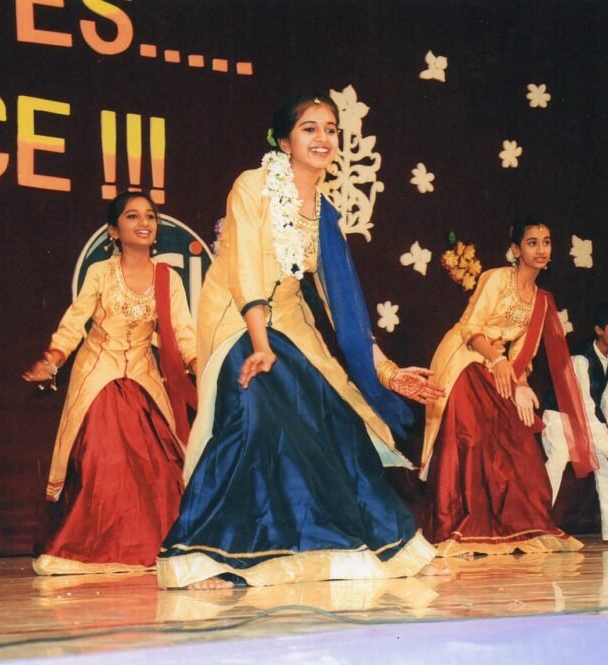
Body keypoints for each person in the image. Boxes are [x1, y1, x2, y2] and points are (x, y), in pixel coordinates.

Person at [156, 94, 445, 589]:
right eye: (309, 128)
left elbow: (341, 303)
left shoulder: (326, 213)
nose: (322, 137)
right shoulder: (252, 185)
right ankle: (204, 553)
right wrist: (259, 342)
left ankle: (361, 545)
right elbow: (245, 266)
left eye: (330, 128)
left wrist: (384, 369)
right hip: (234, 315)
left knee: (337, 418)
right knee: (254, 415)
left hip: (288, 320)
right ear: (284, 142)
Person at [23, 192, 197, 575]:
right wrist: (53, 360)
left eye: (150, 216)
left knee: (160, 464)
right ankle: (85, 549)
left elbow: (185, 333)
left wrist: (203, 367)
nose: (144, 223)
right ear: (113, 231)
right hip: (98, 372)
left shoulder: (168, 278)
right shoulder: (101, 272)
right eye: (132, 216)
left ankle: (151, 547)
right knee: (99, 460)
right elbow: (75, 322)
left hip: (143, 375)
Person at [419, 218, 595, 557]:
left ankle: (517, 525)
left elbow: (523, 354)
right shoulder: (497, 278)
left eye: (546, 241)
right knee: (471, 435)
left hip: (497, 366)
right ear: (516, 249)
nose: (541, 249)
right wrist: (497, 361)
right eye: (532, 242)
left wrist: (521, 385)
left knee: (517, 438)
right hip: (463, 357)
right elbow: (471, 328)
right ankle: (456, 524)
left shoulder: (542, 300)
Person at [546, 304, 608, 545]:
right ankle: (537, 525)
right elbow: (582, 406)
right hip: (560, 418)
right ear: (599, 330)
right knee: (556, 464)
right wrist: (606, 445)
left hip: (585, 419)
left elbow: (607, 396)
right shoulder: (580, 359)